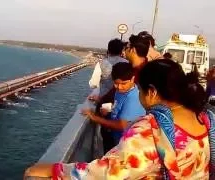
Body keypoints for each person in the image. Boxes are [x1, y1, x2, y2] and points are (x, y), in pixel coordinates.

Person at [24, 59, 215, 179]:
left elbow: (110, 172)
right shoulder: (205, 119)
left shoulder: (151, 130)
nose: (140, 97)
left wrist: (55, 170)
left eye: (140, 91)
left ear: (152, 92)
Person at [83, 62, 145, 152]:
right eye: (116, 83)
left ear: (132, 79)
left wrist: (95, 118)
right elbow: (119, 106)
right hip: (117, 140)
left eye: (123, 83)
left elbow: (122, 125)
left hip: (127, 146)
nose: (119, 87)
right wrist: (107, 107)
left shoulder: (133, 98)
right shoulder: (121, 91)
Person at [96, 34, 150, 112]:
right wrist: (103, 99)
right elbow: (115, 91)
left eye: (126, 48)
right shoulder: (129, 68)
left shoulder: (148, 73)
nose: (124, 51)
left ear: (133, 50)